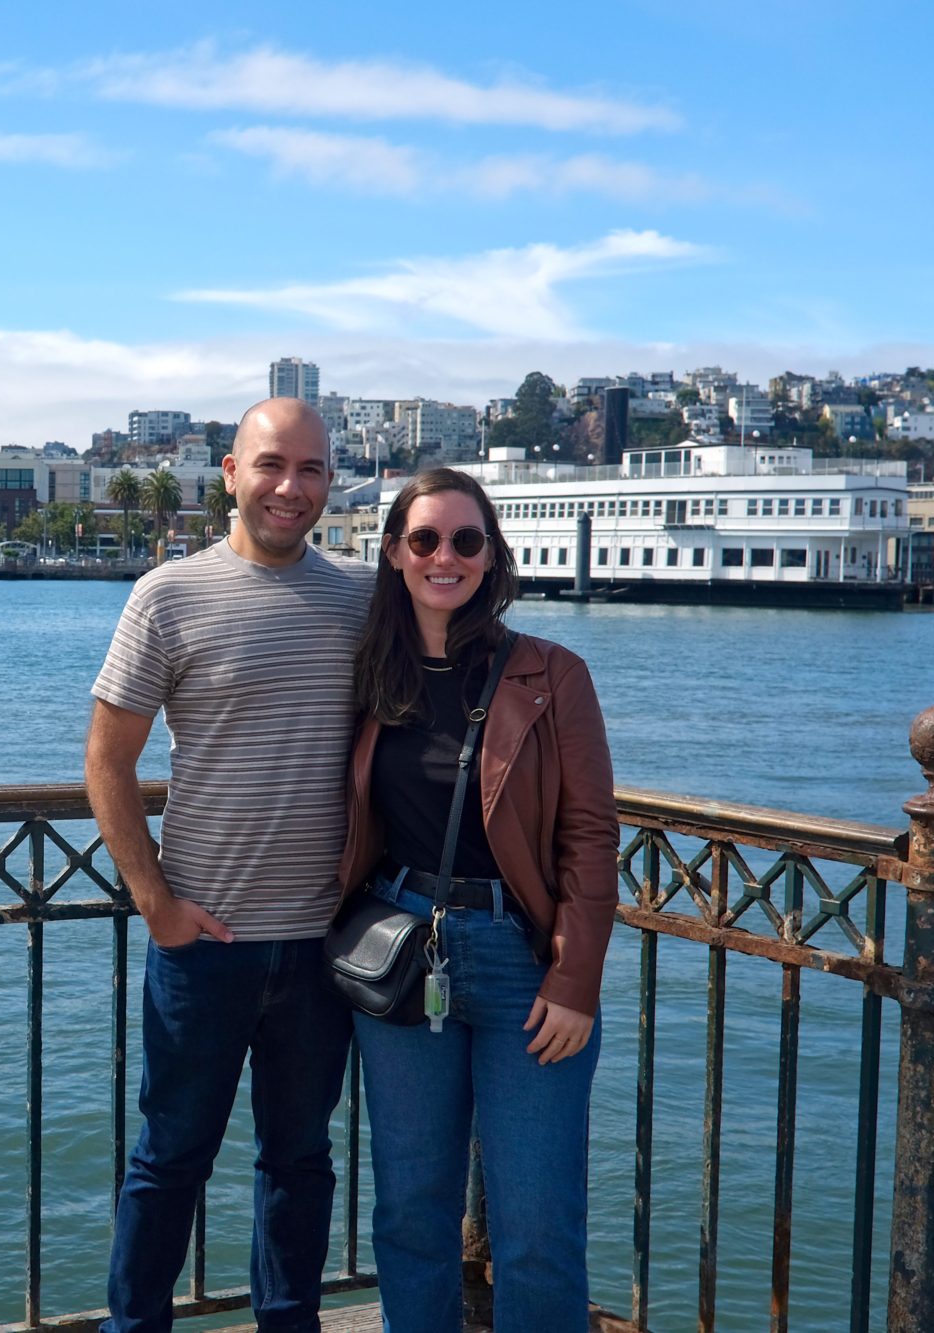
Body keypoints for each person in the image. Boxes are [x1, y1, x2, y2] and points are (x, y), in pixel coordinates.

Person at [86, 397, 370, 1332]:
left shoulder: (363, 603)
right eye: (272, 465)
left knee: (301, 1161)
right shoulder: (167, 595)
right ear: (231, 476)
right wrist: (156, 903)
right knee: (169, 1160)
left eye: (312, 470)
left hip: (326, 946)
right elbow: (107, 762)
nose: (292, 487)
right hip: (204, 941)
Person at [337, 468, 617, 1332]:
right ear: (394, 552)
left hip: (520, 963)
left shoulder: (550, 672)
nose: (444, 557)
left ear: (491, 555)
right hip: (403, 952)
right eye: (424, 540)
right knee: (411, 1211)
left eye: (466, 540)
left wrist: (575, 980)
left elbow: (590, 838)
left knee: (535, 1223)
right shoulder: (371, 673)